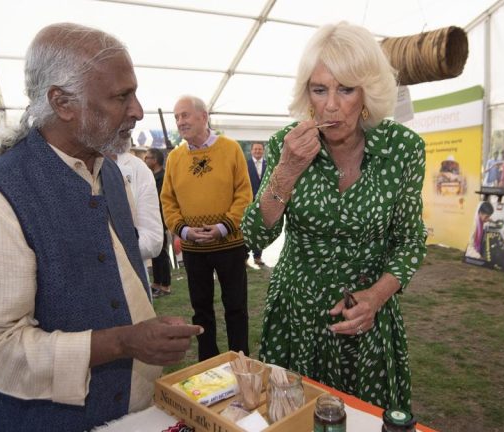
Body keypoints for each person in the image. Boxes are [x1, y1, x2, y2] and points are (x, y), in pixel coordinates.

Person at [0, 23, 202, 432]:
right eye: (121, 96)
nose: (137, 110)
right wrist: (122, 341)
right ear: (62, 103)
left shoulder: (110, 173)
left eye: (133, 93)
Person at [241, 22, 427, 412]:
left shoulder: (403, 149)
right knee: (291, 416)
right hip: (297, 316)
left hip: (367, 318)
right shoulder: (284, 145)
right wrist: (288, 169)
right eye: (319, 89)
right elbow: (254, 235)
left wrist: (375, 298)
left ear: (368, 92)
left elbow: (410, 240)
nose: (330, 105)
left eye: (346, 89)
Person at [160, 95, 253, 361]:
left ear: (204, 116)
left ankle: (241, 362)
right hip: (193, 247)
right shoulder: (175, 158)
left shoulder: (231, 149)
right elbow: (168, 200)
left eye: (185, 115)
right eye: (177, 117)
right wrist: (184, 231)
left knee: (236, 307)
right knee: (201, 310)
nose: (180, 122)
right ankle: (208, 364)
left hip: (230, 244)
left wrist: (224, 227)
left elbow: (244, 194)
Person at [111, 150, 163, 262]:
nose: (146, 160)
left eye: (148, 157)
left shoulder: (138, 167)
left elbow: (153, 241)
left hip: (130, 270)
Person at [144, 148, 172, 297]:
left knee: (161, 252)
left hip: (161, 218)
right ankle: (156, 282)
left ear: (155, 160)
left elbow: (162, 201)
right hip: (152, 218)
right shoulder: (151, 176)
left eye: (147, 157)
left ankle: (165, 285)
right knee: (155, 251)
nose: (145, 160)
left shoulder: (163, 177)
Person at [246, 142, 267, 266]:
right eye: (255, 149)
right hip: (249, 203)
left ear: (263, 151)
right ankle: (244, 256)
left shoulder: (269, 164)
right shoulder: (245, 164)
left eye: (260, 149)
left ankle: (258, 257)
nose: (258, 151)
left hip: (265, 204)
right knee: (248, 229)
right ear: (251, 151)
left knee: (261, 230)